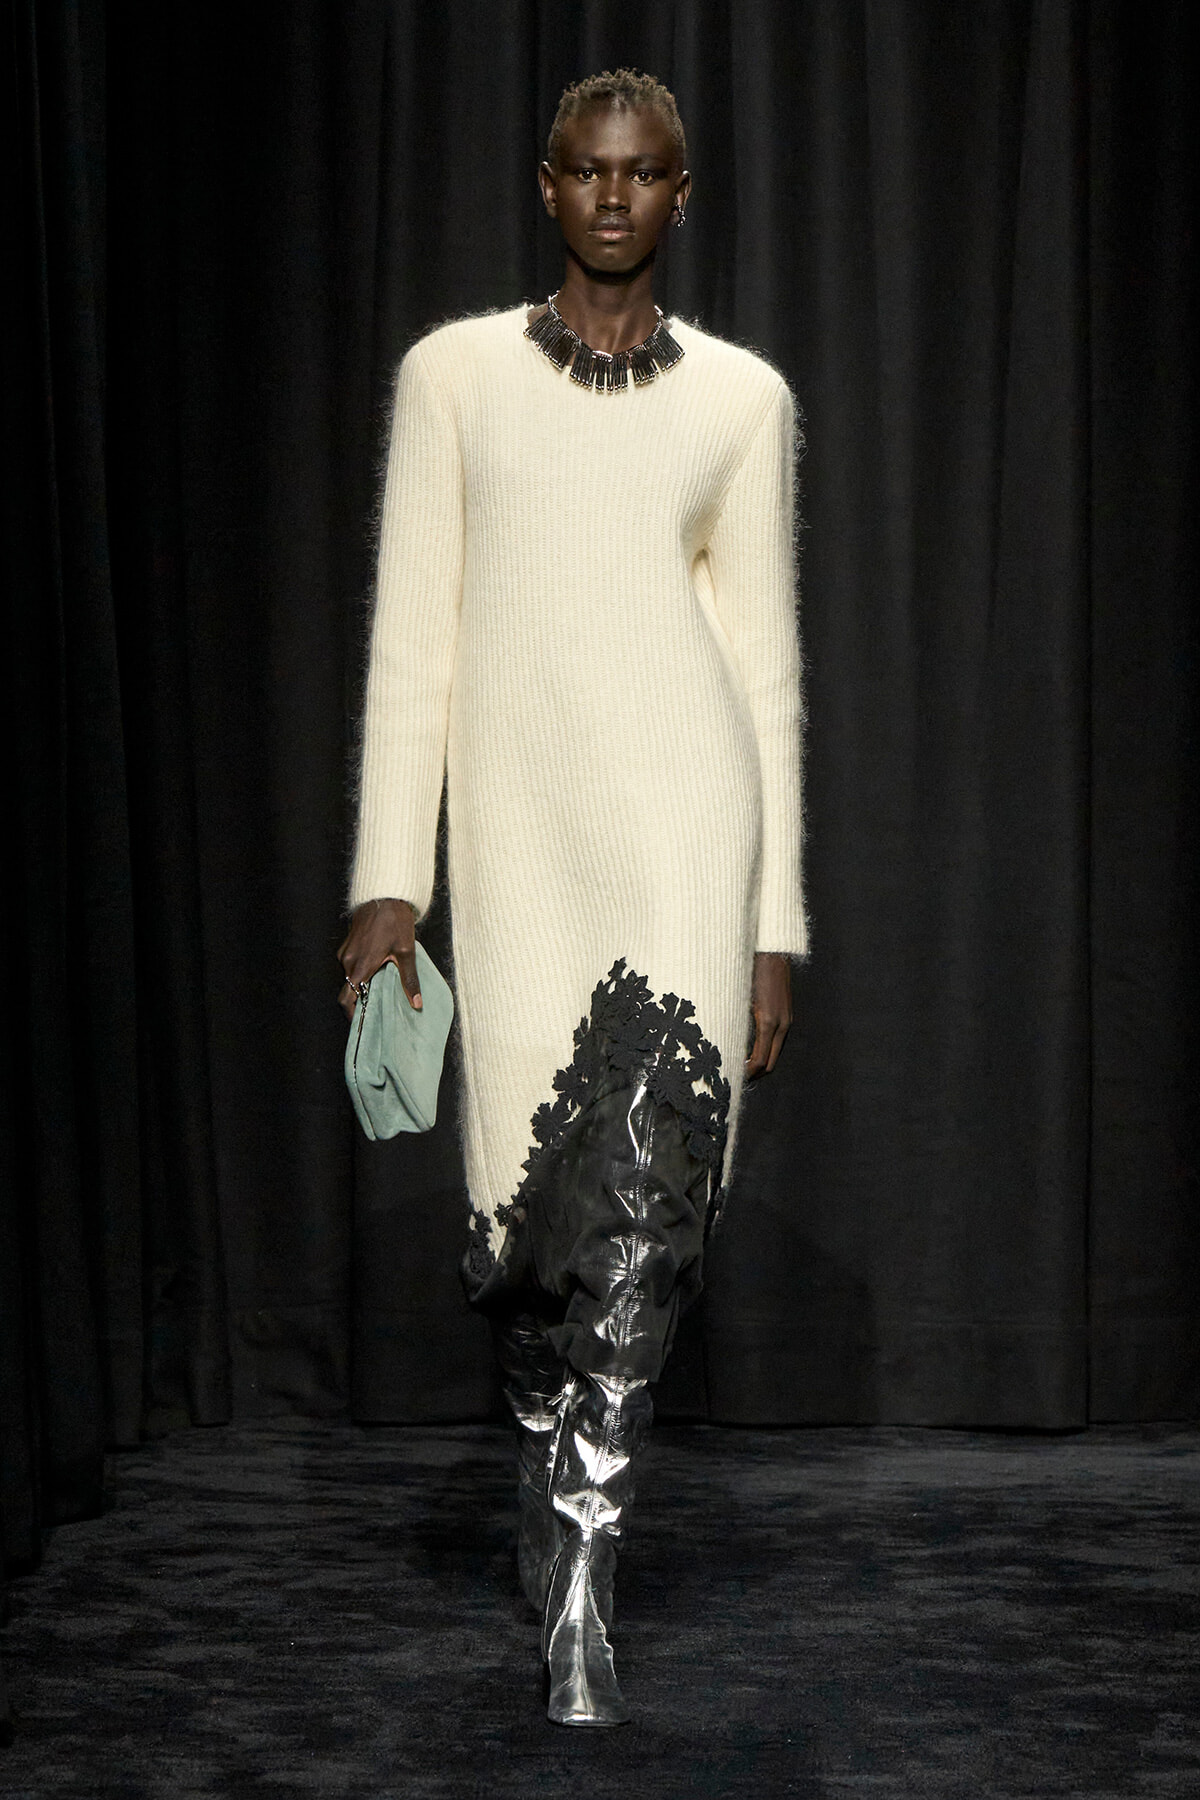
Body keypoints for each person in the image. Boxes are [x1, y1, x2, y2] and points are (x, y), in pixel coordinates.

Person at [338, 68, 807, 1727]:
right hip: (523, 839)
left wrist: (775, 925)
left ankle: (586, 1591)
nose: (617, 197)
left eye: (647, 174)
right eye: (590, 173)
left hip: (687, 820)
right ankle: (548, 1488)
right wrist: (391, 880)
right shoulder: (454, 379)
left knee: (648, 1207)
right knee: (532, 1249)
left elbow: (760, 673)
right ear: (550, 188)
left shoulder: (741, 401)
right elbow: (414, 635)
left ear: (683, 195)